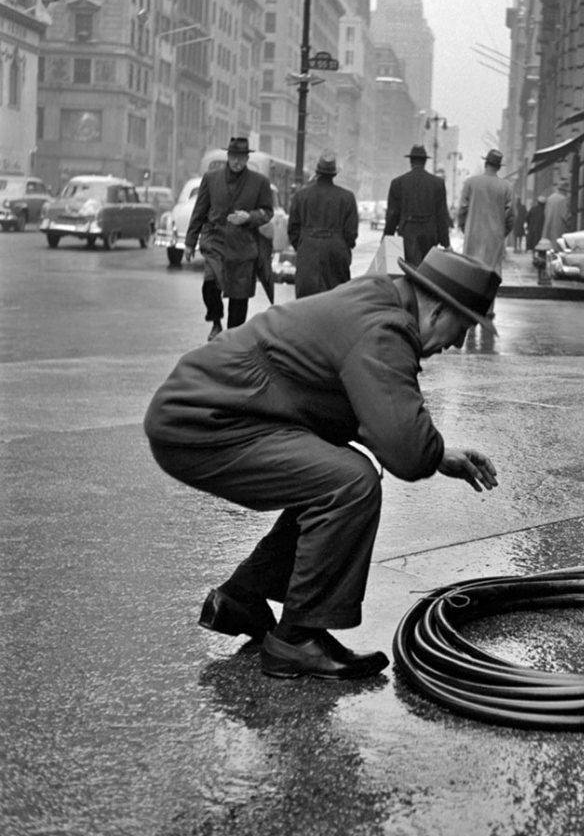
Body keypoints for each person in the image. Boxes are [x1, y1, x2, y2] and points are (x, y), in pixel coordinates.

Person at [144, 248, 501, 681]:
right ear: (439, 309)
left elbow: (367, 406)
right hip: (205, 421)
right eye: (462, 328)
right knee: (349, 483)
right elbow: (405, 451)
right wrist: (428, 451)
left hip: (210, 410)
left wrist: (439, 453)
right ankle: (297, 639)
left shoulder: (377, 300)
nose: (457, 343)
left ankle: (244, 596)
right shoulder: (385, 329)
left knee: (331, 473)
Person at [185, 137, 275, 341]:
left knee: (239, 295)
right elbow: (199, 211)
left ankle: (233, 336)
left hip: (243, 245)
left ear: (247, 158)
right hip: (215, 240)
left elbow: (267, 212)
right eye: (234, 157)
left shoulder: (259, 182)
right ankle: (216, 321)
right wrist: (190, 243)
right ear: (228, 156)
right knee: (210, 284)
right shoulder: (211, 178)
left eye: (242, 158)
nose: (237, 162)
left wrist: (250, 217)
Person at [287, 154, 359, 298]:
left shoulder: (301, 196)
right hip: (336, 251)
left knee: (306, 300)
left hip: (308, 250)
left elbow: (292, 229)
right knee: (335, 299)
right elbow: (351, 233)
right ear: (334, 174)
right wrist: (342, 247)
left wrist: (303, 244)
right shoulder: (347, 197)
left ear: (317, 172)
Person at [384, 145, 451, 267]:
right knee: (427, 271)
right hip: (430, 234)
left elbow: (392, 214)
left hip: (408, 233)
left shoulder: (397, 183)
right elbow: (442, 215)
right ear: (425, 162)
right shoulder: (438, 184)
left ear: (410, 161)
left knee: (409, 270)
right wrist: (446, 243)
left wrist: (387, 237)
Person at [457, 148, 513, 275]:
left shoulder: (470, 183)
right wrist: (502, 232)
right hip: (495, 238)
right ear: (499, 167)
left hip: (473, 233)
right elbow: (510, 217)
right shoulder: (506, 187)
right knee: (491, 275)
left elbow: (462, 210)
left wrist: (464, 227)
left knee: (470, 272)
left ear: (485, 163)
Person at [540, 181, 570, 246]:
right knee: (557, 247)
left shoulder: (550, 198)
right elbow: (565, 215)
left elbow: (545, 212)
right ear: (564, 191)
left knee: (548, 247)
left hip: (548, 227)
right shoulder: (563, 199)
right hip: (558, 227)